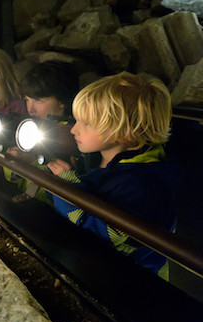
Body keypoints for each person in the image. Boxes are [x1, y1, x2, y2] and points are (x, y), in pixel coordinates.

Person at [47, 72, 177, 280]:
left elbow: (104, 235)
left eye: (86, 124)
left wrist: (67, 186)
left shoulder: (143, 186)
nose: (73, 129)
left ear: (124, 133)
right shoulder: (100, 158)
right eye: (77, 120)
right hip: (102, 270)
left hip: (135, 285)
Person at [4, 61, 81, 203]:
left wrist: (31, 162)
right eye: (27, 100)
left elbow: (54, 197)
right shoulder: (29, 128)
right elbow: (16, 181)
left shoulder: (75, 137)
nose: (30, 109)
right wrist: (15, 164)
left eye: (38, 100)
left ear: (62, 100)